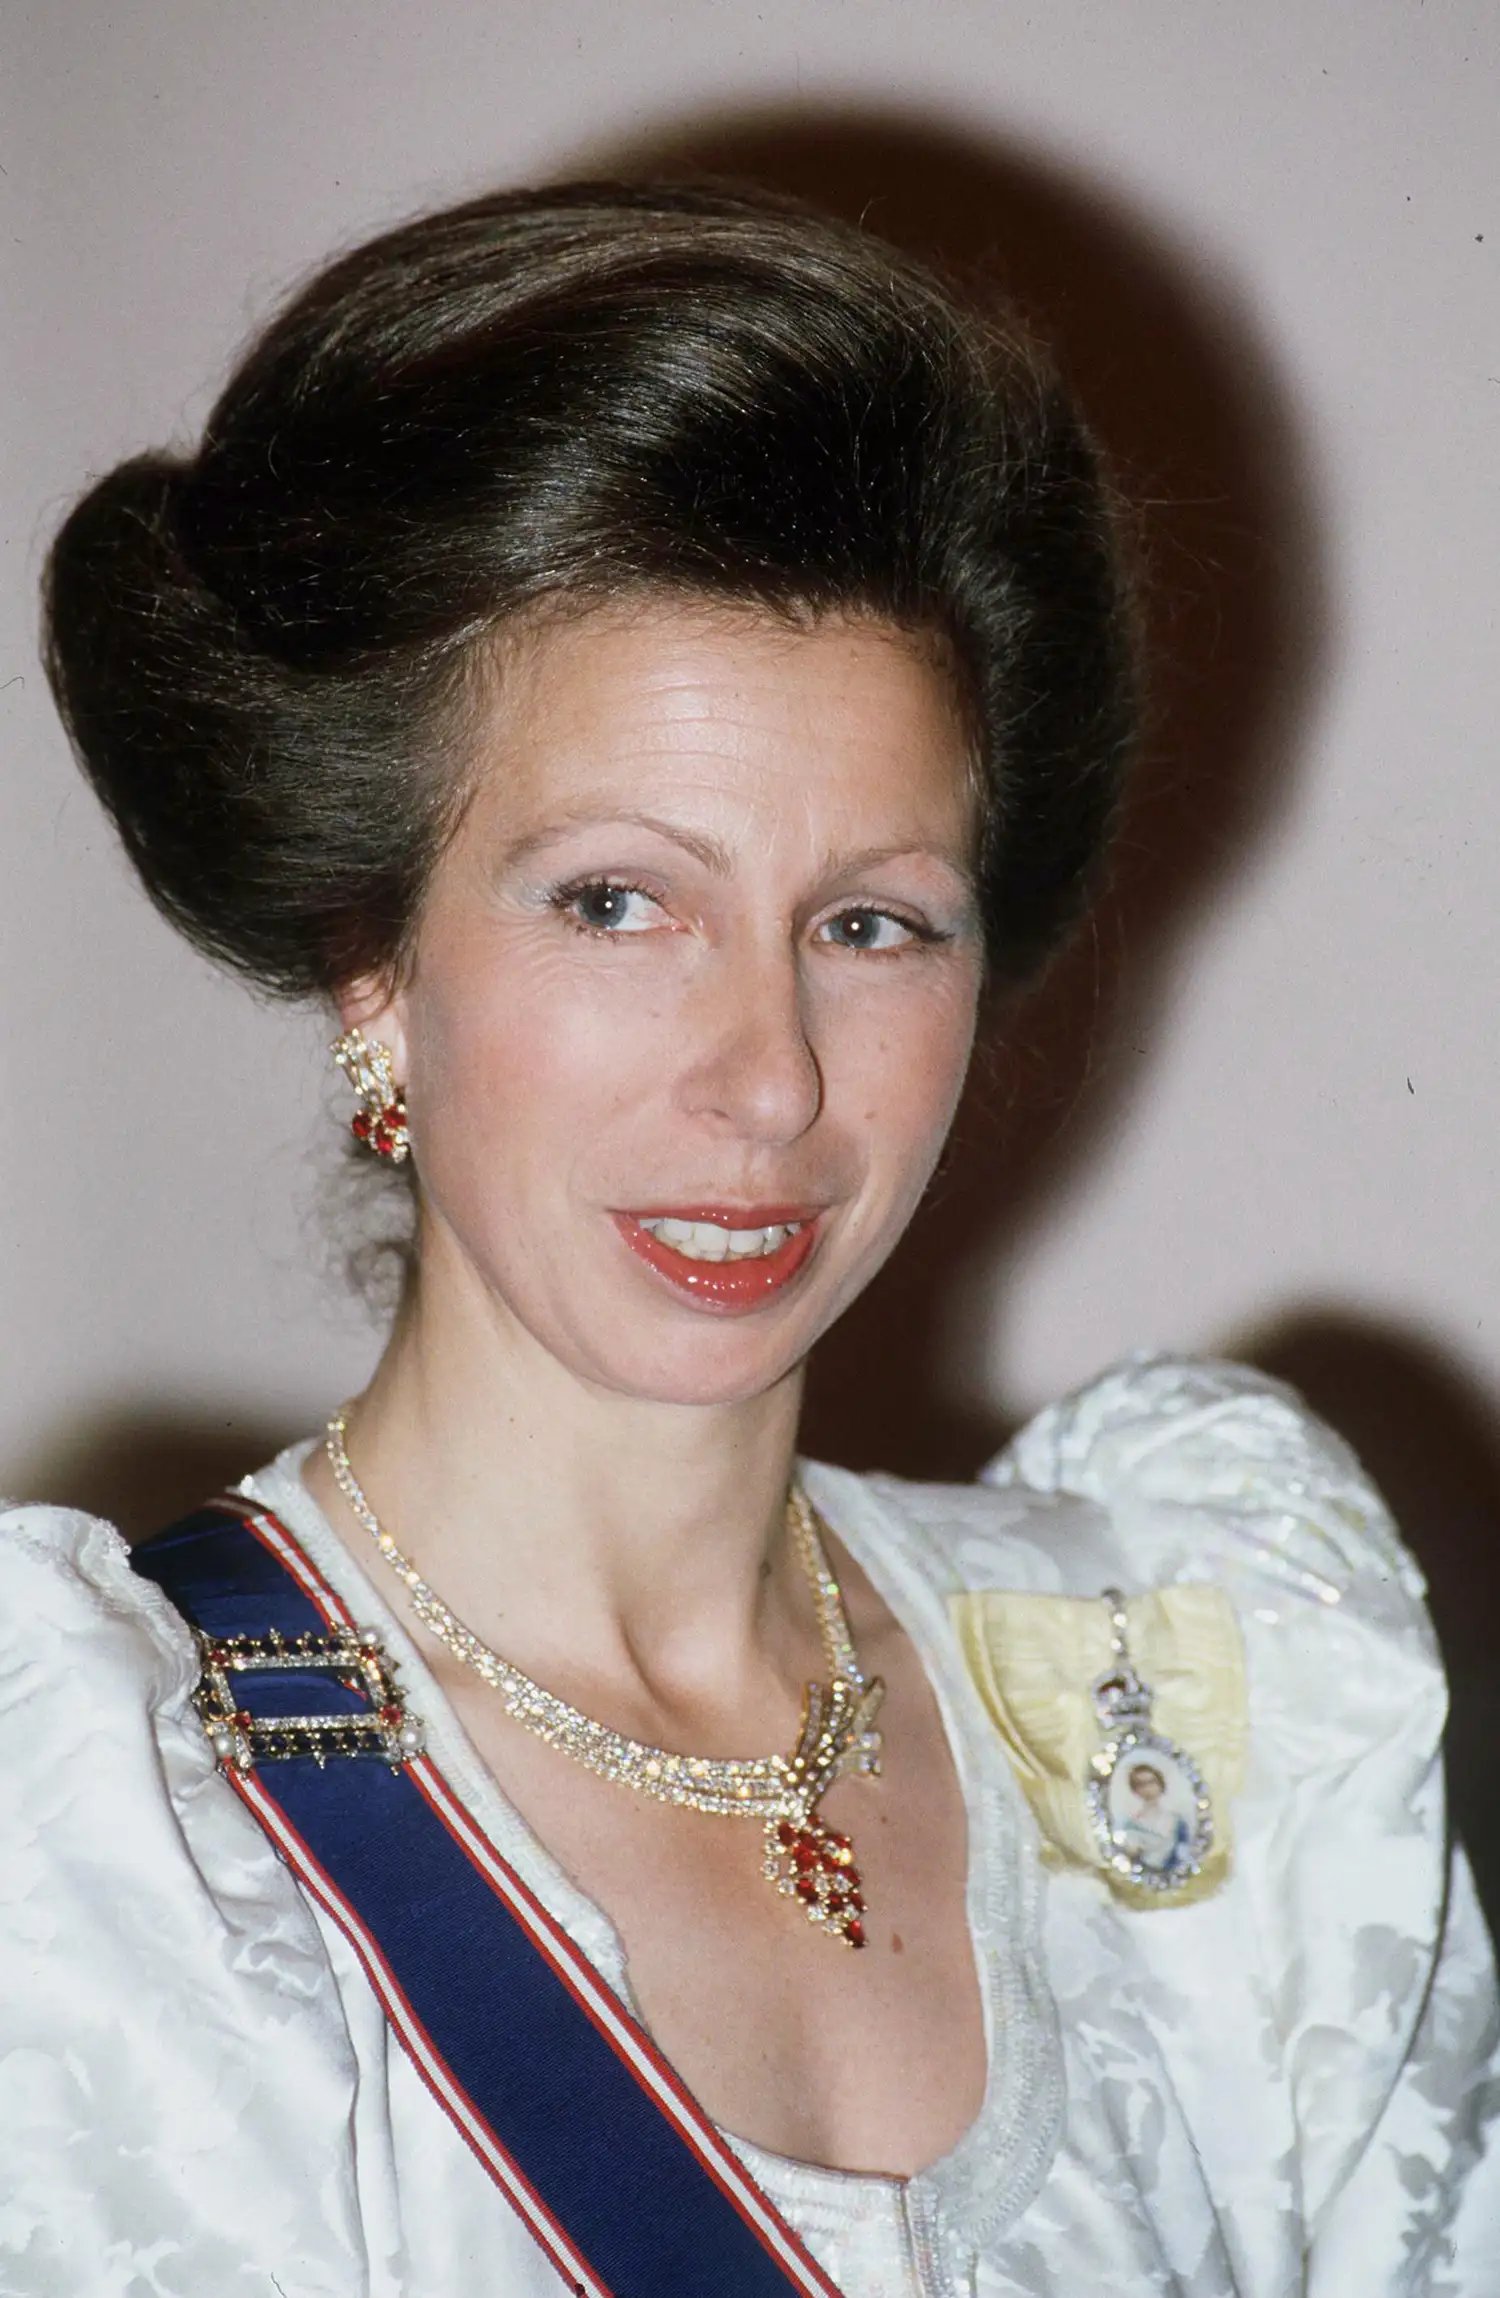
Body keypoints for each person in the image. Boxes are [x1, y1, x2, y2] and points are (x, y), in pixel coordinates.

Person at [4, 177, 1496, 2297]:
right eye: (618, 901)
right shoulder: (101, 1845)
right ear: (373, 966)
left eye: (872, 924)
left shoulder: (1180, 1673)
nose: (772, 1077)